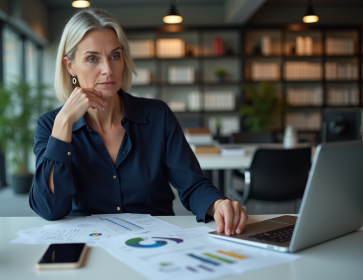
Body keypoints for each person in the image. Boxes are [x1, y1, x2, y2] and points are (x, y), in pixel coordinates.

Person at [29, 8, 248, 236]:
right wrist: (64, 122)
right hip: (90, 248)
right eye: (92, 58)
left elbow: (192, 184)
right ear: (70, 65)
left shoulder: (157, 115)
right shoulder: (51, 125)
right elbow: (50, 208)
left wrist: (218, 204)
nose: (108, 70)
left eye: (115, 56)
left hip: (155, 244)